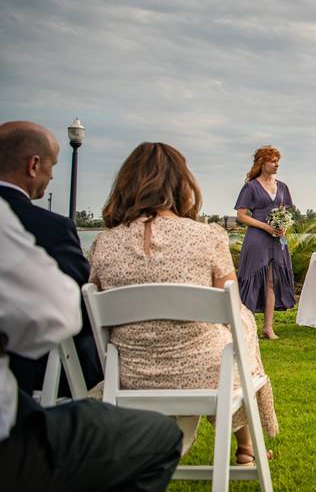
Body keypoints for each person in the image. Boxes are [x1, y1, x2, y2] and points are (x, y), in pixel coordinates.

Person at [90, 142, 279, 466]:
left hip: (130, 376)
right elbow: (230, 308)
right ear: (182, 185)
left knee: (230, 333)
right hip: (205, 374)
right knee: (241, 324)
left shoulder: (103, 244)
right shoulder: (206, 238)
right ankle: (246, 445)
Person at [0, 197, 183, 491]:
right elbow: (63, 314)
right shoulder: (16, 221)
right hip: (11, 440)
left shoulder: (105, 242)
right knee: (162, 435)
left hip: (119, 370)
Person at [0, 120, 102, 392]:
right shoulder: (49, 228)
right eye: (52, 166)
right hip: (32, 376)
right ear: (33, 165)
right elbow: (80, 304)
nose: (52, 175)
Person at [234, 145, 296, 339]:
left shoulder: (283, 187)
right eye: (273, 161)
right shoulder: (251, 186)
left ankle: (268, 328)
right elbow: (241, 216)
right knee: (252, 281)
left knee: (271, 282)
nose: (277, 164)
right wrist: (265, 226)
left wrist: (283, 227)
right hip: (257, 239)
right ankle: (246, 327)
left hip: (277, 240)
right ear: (262, 163)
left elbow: (286, 213)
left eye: (278, 161)